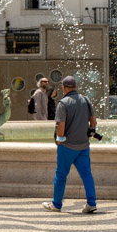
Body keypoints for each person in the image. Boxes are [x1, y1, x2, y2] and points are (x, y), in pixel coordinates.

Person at [43, 75, 97, 214]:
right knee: (87, 174)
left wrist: (59, 140)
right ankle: (91, 203)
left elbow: (61, 125)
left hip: (67, 146)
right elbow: (93, 122)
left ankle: (56, 204)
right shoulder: (86, 100)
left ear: (64, 87)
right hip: (83, 146)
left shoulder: (63, 103)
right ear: (75, 87)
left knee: (61, 175)